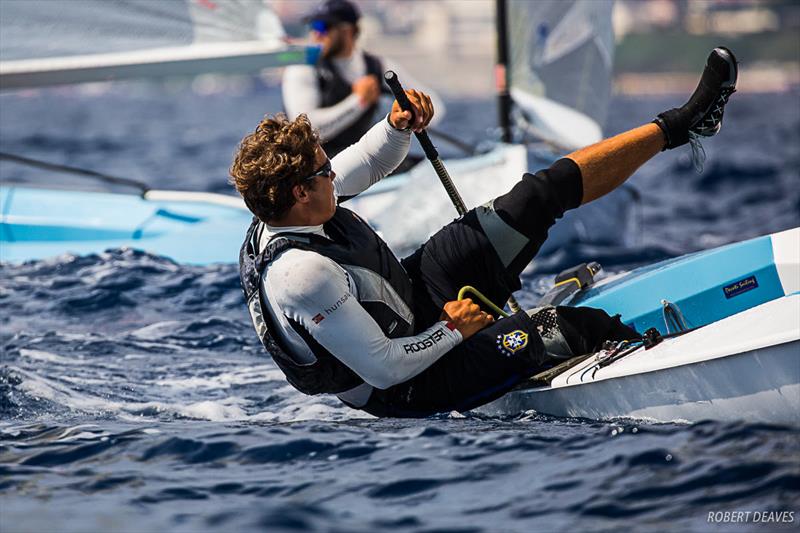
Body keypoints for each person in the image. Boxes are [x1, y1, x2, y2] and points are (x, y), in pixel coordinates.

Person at [233, 48, 738, 417]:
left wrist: (397, 125)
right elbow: (384, 368)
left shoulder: (296, 203)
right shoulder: (301, 275)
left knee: (539, 195)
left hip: (415, 294)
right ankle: (698, 379)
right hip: (403, 382)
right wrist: (454, 329)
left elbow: (367, 160)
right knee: (570, 327)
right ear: (299, 192)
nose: (332, 175)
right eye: (324, 171)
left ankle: (684, 123)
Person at [282, 0, 444, 159]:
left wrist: (412, 117)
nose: (315, 34)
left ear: (348, 30)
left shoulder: (378, 66)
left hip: (357, 160)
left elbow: (435, 106)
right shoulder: (302, 68)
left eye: (322, 27)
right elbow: (307, 130)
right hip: (312, 167)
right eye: (312, 27)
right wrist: (359, 102)